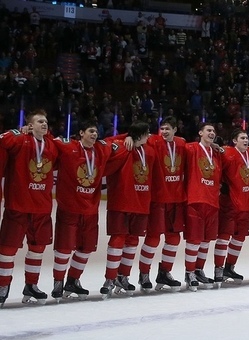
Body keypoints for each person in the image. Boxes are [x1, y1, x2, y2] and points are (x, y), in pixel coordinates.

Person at [51, 120, 113, 302]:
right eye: (91, 131)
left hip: (91, 210)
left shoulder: (101, 150)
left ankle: (73, 280)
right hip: (69, 208)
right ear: (81, 133)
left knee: (85, 249)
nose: (94, 134)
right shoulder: (67, 147)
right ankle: (58, 282)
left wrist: (130, 136)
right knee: (64, 248)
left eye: (96, 132)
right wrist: (27, 130)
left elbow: (115, 142)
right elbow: (46, 141)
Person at [0, 109, 57, 306]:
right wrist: (17, 131)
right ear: (30, 125)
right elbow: (2, 139)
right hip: (18, 205)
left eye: (46, 121)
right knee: (7, 248)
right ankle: (3, 285)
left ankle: (31, 285)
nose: (44, 124)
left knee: (37, 248)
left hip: (41, 208)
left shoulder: (52, 145)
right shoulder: (19, 140)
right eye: (40, 121)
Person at [100, 121, 155, 297]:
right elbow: (104, 142)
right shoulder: (122, 146)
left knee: (132, 241)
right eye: (146, 133)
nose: (149, 136)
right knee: (118, 239)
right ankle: (110, 278)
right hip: (121, 201)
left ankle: (123, 276)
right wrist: (126, 136)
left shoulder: (150, 151)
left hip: (141, 202)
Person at [136, 116, 186, 293]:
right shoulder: (153, 141)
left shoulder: (181, 144)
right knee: (153, 238)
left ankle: (165, 272)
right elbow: (136, 135)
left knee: (173, 238)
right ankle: (144, 274)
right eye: (162, 128)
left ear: (175, 130)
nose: (164, 131)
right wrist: (128, 137)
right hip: (157, 199)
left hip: (176, 200)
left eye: (167, 129)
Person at [212, 128, 249, 286]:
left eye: (247, 138)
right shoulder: (226, 152)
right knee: (224, 237)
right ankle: (218, 268)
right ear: (234, 141)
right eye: (242, 138)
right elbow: (214, 165)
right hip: (230, 203)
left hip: (246, 204)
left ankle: (229, 267)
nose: (246, 140)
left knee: (239, 238)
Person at [183, 123, 223, 291]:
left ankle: (198, 270)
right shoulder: (191, 149)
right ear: (200, 133)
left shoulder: (217, 154)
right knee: (194, 240)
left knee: (206, 240)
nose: (212, 133)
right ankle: (189, 272)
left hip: (213, 202)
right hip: (196, 201)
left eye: (213, 131)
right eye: (208, 130)